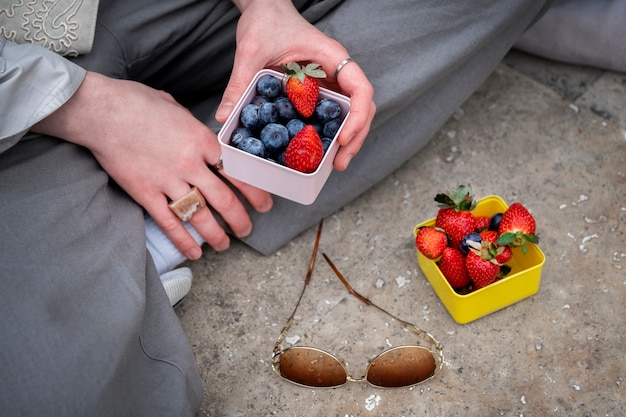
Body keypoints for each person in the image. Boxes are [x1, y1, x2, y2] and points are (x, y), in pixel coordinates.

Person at [1, 0, 558, 415]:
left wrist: (266, 8)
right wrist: (87, 110)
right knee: (61, 389)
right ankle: (163, 218)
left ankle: (176, 198)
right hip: (20, 100)